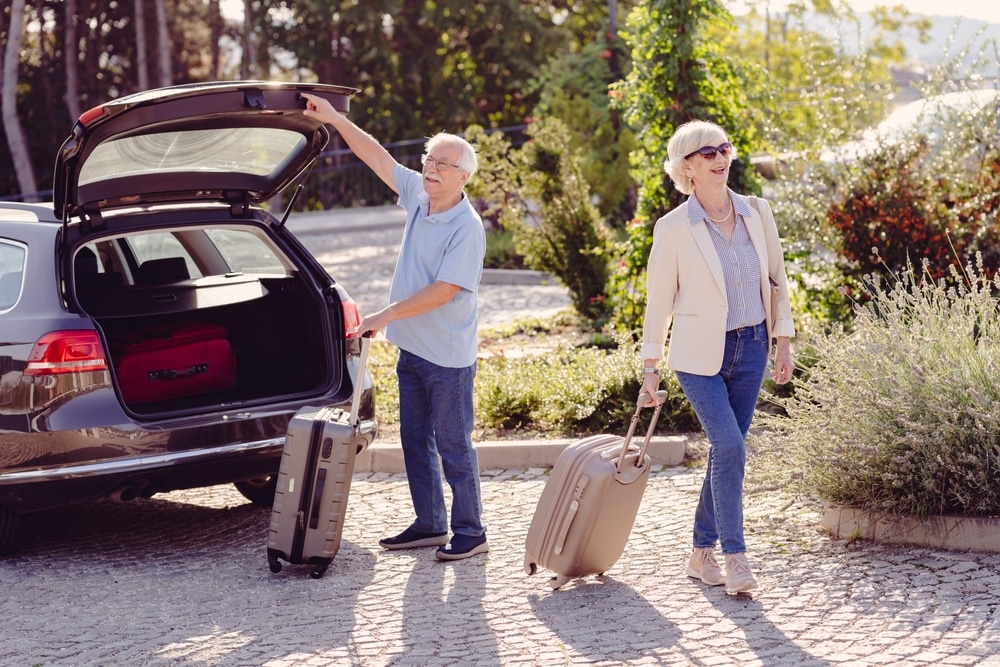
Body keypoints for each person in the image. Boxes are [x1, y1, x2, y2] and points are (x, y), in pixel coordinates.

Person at [302, 93, 488, 561]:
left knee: (452, 444)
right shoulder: (418, 195)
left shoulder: (467, 226)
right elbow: (375, 155)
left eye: (444, 164)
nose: (432, 168)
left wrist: (384, 316)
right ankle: (430, 524)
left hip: (447, 357)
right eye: (429, 159)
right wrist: (334, 118)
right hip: (413, 350)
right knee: (414, 440)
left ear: (463, 177)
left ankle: (471, 530)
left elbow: (444, 290)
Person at [638, 120, 794, 594]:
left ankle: (699, 553)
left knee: (728, 452)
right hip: (698, 356)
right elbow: (658, 302)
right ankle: (736, 557)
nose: (721, 157)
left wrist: (783, 340)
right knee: (729, 448)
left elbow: (778, 280)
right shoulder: (674, 228)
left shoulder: (756, 212)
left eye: (724, 148)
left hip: (751, 348)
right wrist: (650, 369)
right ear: (687, 166)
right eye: (708, 152)